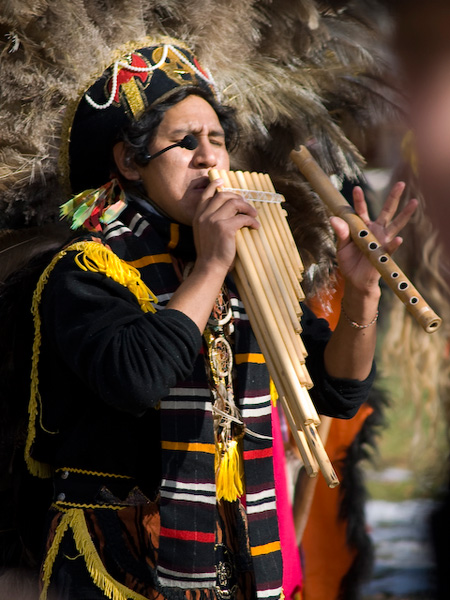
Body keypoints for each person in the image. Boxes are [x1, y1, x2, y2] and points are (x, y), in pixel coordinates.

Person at [18, 38, 416, 600]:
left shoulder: (247, 266)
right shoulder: (87, 268)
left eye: (218, 141)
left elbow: (337, 392)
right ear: (130, 162)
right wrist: (210, 264)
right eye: (184, 143)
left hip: (232, 548)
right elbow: (137, 379)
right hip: (118, 557)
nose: (209, 158)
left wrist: (362, 295)